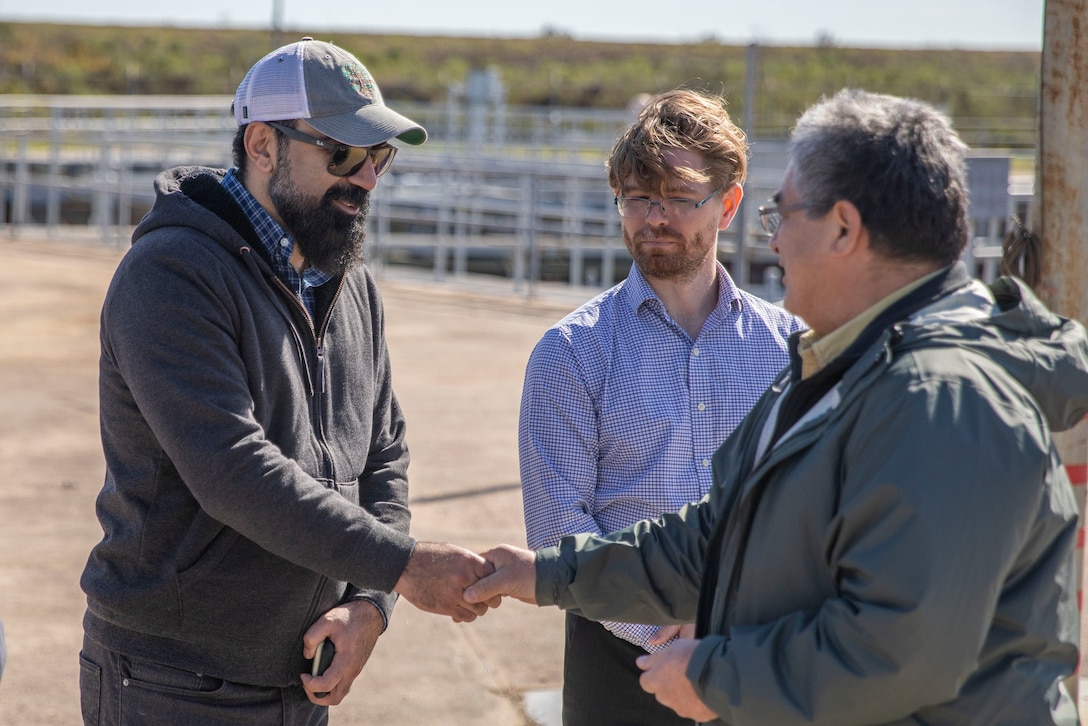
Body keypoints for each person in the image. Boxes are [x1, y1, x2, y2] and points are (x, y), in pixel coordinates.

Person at [467, 88, 1088, 724]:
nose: (775, 242)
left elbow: (899, 652)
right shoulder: (861, 367)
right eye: (637, 197)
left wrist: (713, 671)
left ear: (843, 228)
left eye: (783, 215)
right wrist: (551, 572)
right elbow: (731, 532)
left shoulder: (936, 394)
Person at [79, 37, 493, 725]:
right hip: (171, 683)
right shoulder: (172, 274)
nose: (365, 178)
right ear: (263, 145)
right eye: (343, 154)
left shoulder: (349, 286)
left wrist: (369, 602)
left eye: (378, 158)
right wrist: (405, 567)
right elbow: (232, 471)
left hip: (303, 680)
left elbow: (382, 455)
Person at [518, 88, 803, 726]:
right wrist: (665, 638)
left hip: (758, 653)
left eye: (678, 198)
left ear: (728, 204)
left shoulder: (791, 349)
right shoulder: (570, 352)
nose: (654, 217)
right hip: (617, 663)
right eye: (638, 197)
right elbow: (556, 529)